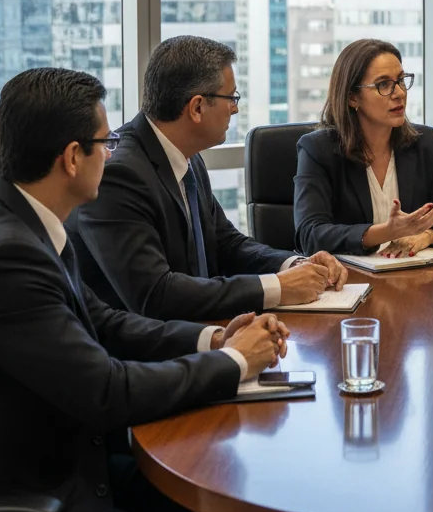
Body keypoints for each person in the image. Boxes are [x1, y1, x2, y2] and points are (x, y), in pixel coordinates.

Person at [0, 67, 291, 512]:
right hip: (40, 510)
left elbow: (106, 321)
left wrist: (212, 340)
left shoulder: (23, 217)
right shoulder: (10, 256)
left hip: (73, 465)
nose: (114, 151)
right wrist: (235, 365)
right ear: (72, 157)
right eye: (107, 142)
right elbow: (107, 392)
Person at [72, 36, 347, 321]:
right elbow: (156, 295)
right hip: (141, 353)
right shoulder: (118, 174)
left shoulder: (187, 156)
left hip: (197, 333)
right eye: (232, 97)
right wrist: (276, 288)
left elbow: (227, 243)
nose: (235, 109)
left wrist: (294, 264)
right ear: (197, 108)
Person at [294, 39, 433, 257]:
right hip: (349, 282)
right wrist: (384, 232)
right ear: (352, 97)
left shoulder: (424, 142)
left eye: (401, 81)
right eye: (384, 85)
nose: (399, 93)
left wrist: (424, 236)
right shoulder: (318, 150)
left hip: (410, 279)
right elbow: (310, 235)